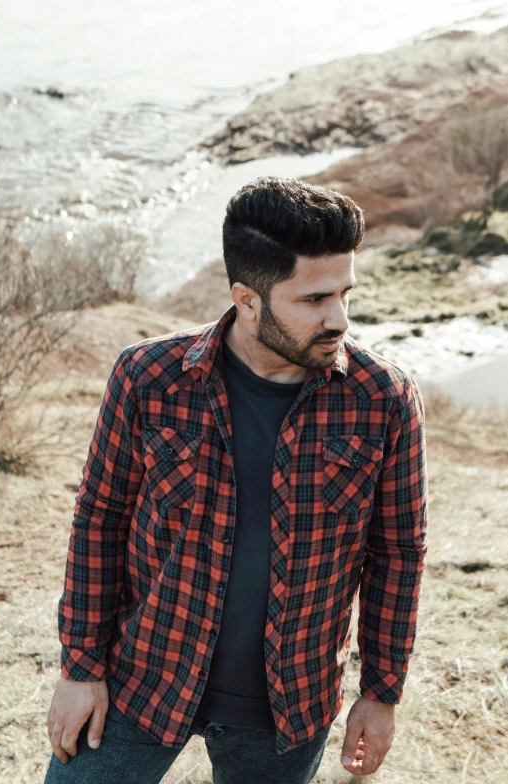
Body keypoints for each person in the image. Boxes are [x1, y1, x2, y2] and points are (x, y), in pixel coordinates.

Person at [44, 176, 429, 783]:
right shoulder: (148, 377)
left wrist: (381, 694)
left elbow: (398, 554)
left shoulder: (383, 398)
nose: (340, 319)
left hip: (287, 706)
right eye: (314, 299)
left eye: (346, 294)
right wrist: (80, 668)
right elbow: (100, 519)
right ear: (248, 299)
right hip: (139, 678)